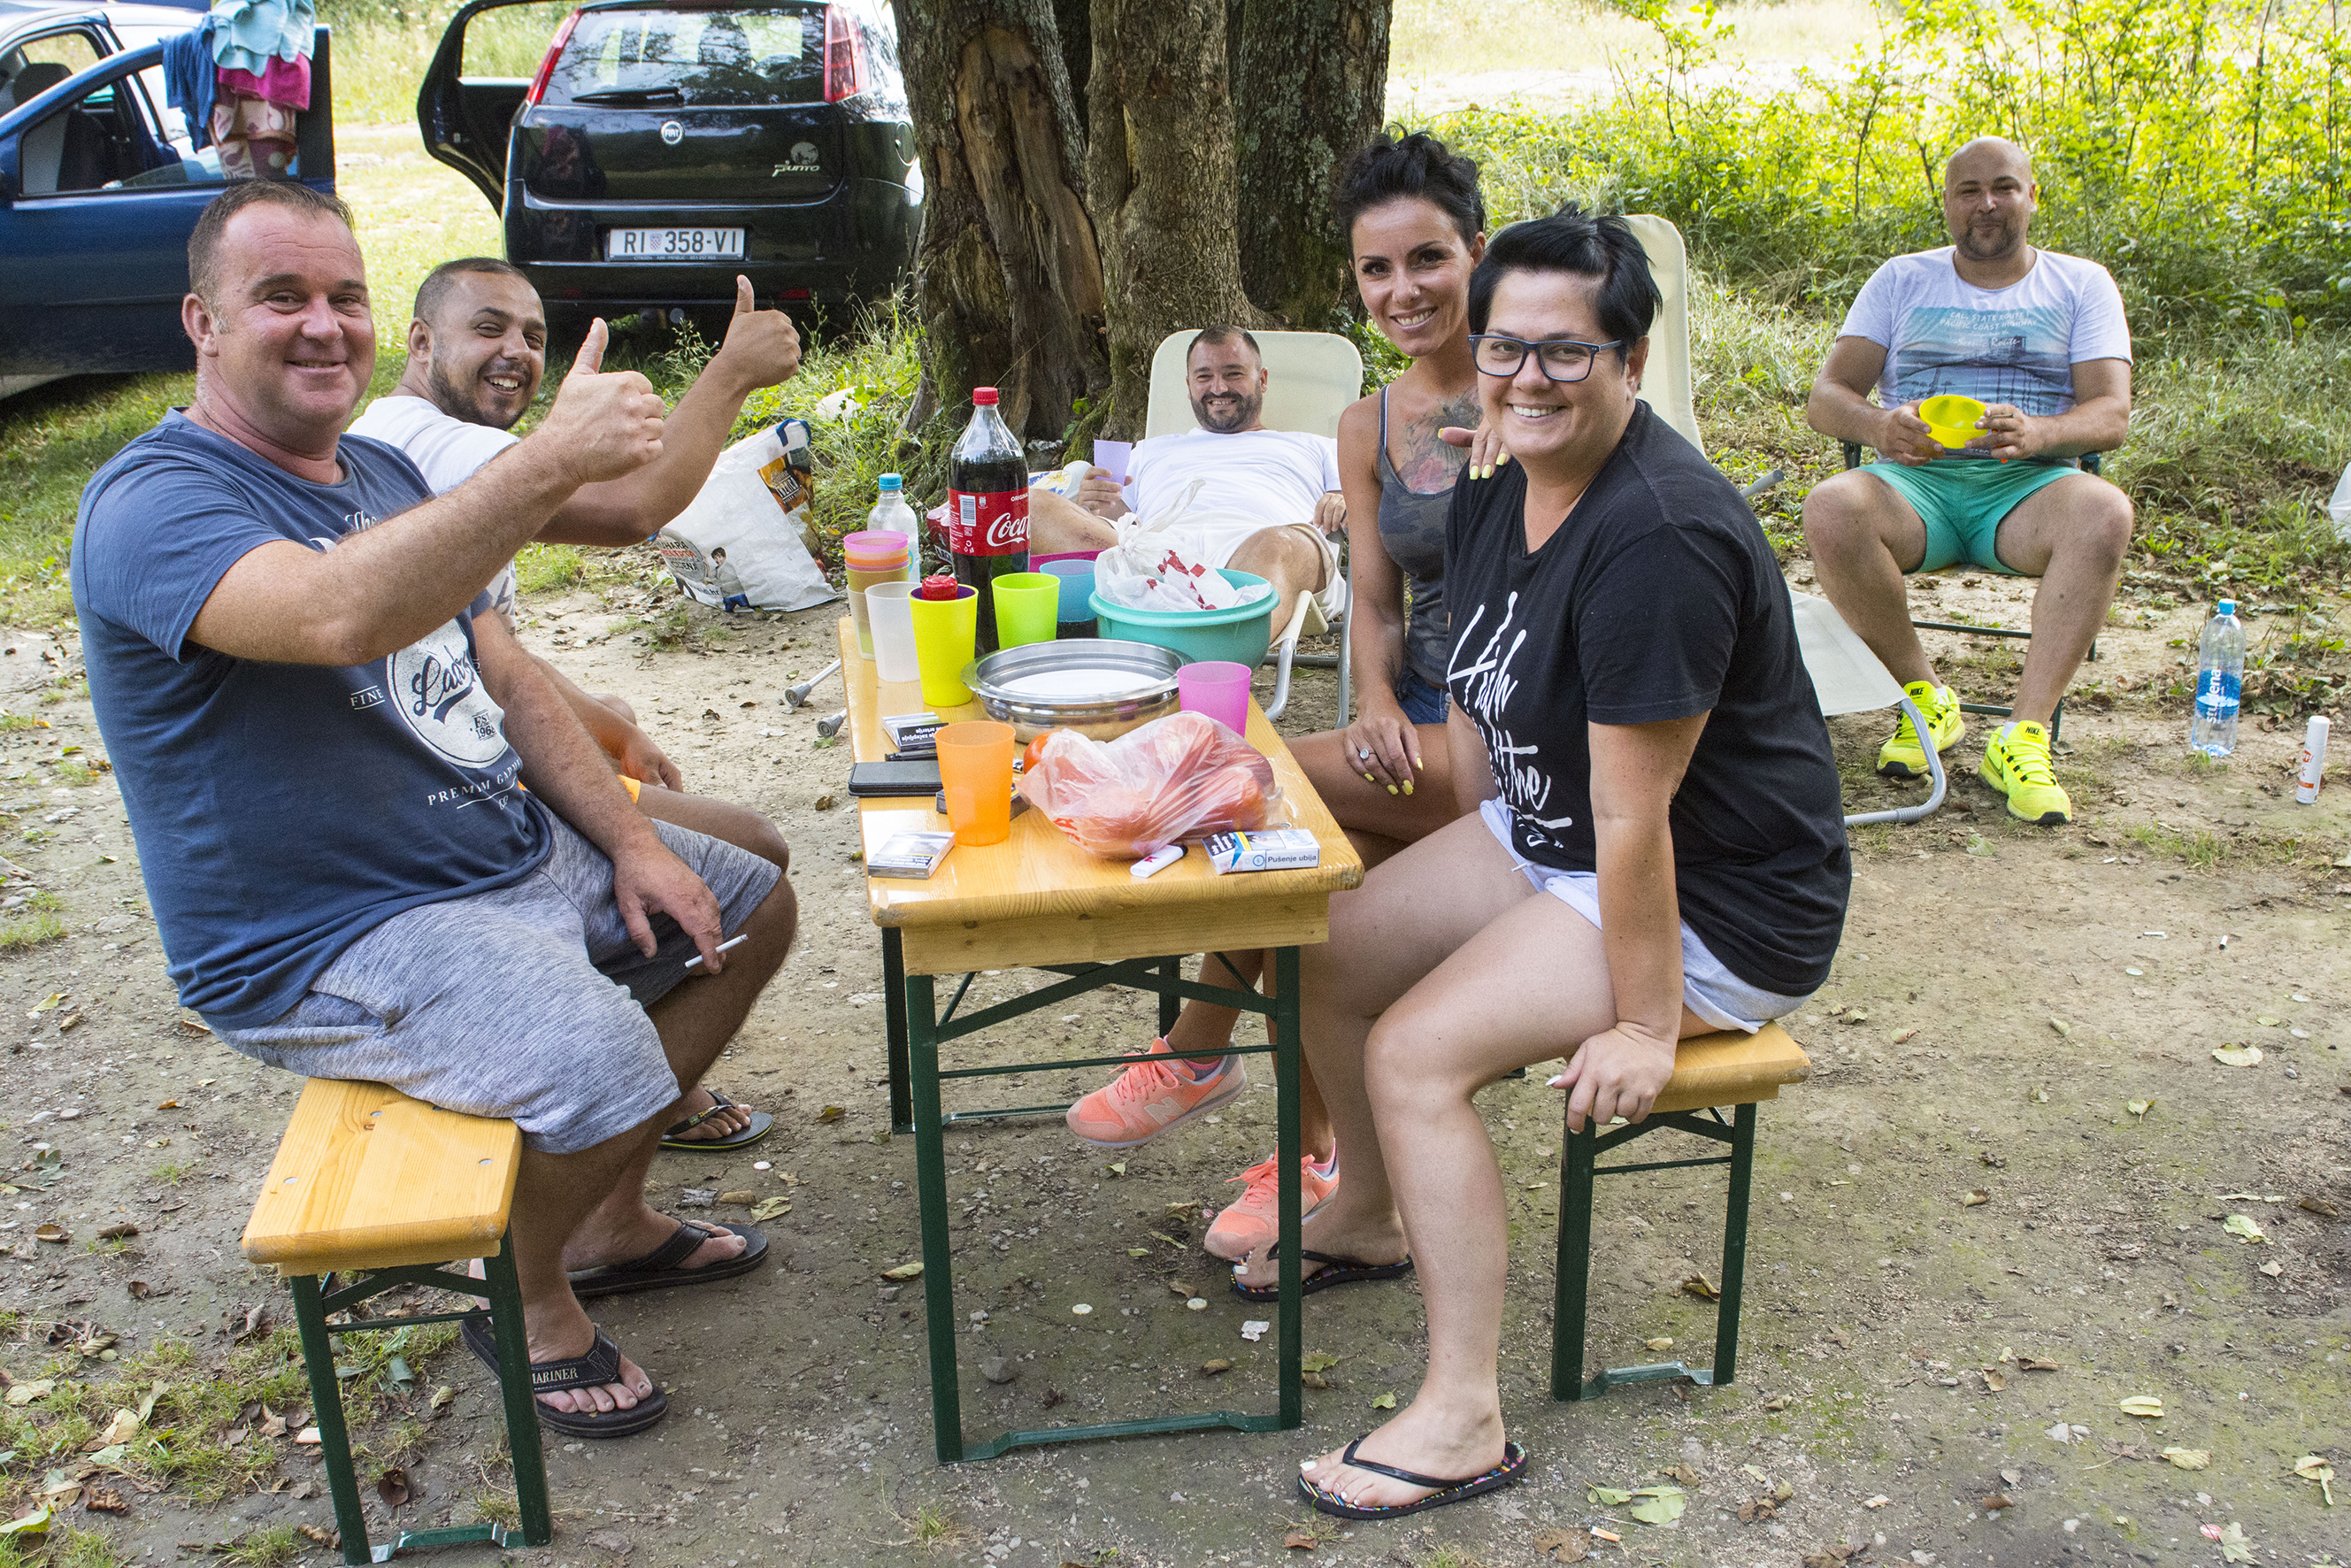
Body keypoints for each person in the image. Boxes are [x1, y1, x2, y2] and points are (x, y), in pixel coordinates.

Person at [73, 181, 800, 1440]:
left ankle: (609, 1222)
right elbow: (329, 616)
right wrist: (554, 462)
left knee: (749, 902)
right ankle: (523, 1295)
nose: (323, 326)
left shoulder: (382, 465)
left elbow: (506, 677)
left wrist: (630, 842)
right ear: (202, 321)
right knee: (605, 1062)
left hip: (492, 852)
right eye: (280, 297)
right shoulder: (154, 502)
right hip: (328, 932)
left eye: (344, 296)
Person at [1231, 207, 1849, 1519]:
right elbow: (1485, 710)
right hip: (1557, 835)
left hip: (1711, 900)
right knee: (1327, 949)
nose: (1527, 380)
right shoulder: (1504, 469)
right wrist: (1470, 838)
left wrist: (1644, 1020)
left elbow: (1636, 824)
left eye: (1569, 355)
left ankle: (1462, 1417)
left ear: (1629, 356)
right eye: (1509, 349)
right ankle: (1366, 1219)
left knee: (1414, 1052)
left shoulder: (1660, 542)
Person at [1056, 133, 1489, 1264]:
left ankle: (1201, 1046)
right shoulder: (1365, 424)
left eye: (1426, 259)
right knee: (1281, 869)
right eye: (1374, 270)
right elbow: (1380, 606)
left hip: (1506, 752)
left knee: (1239, 789)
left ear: (1476, 254)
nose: (1402, 291)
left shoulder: (1529, 399)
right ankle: (1317, 1158)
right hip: (1416, 727)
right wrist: (1379, 698)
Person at [350, 255, 805, 1149]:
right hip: (461, 798)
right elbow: (635, 503)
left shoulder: (407, 435)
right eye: (488, 327)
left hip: (475, 752)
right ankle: (623, 1116)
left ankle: (632, 1075)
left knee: (724, 831)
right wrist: (732, 370)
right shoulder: (430, 443)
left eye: (531, 335)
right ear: (418, 341)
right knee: (749, 853)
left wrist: (602, 720)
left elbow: (485, 643)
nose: (515, 351)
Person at [1802, 135, 2133, 826]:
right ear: (1947, 204)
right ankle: (1924, 697)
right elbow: (1826, 396)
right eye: (1968, 191)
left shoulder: (2078, 283)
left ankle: (2023, 735)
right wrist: (1878, 427)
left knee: (2104, 512)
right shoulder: (1901, 279)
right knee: (1831, 505)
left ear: (2031, 197)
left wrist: (2040, 433)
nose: (1987, 204)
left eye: (2004, 187)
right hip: (1913, 486)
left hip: (2027, 490)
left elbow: (2109, 414)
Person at [1026, 327, 1345, 641]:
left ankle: (1212, 657)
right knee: (1032, 505)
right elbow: (1116, 526)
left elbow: (1361, 503)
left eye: (1233, 374)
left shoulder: (1316, 446)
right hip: (1154, 562)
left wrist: (1346, 501)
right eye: (1204, 377)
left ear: (1261, 380)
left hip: (1259, 554)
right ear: (1189, 385)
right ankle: (1203, 641)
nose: (1218, 388)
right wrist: (1095, 504)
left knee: (1278, 544)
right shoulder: (1151, 450)